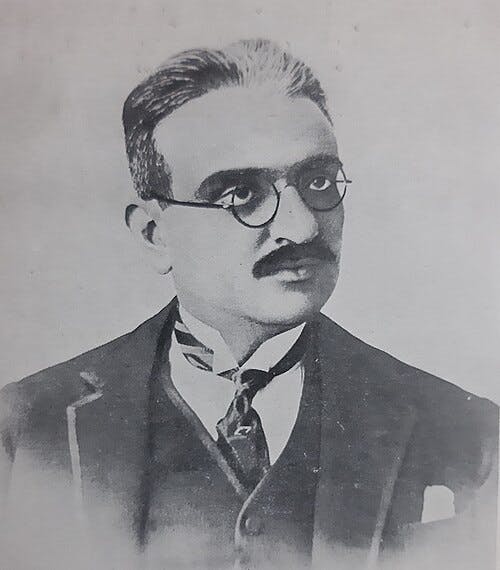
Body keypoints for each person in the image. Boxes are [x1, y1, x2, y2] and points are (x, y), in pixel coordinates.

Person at [0, 39, 497, 570]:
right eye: (240, 194)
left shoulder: (471, 436)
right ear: (154, 235)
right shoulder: (24, 431)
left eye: (318, 182)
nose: (301, 228)